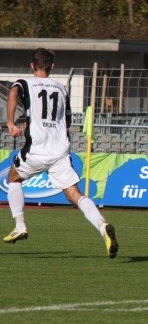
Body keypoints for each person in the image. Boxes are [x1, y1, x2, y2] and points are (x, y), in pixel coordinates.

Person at [3, 48, 119, 258]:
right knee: (74, 193)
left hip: (37, 149)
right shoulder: (61, 88)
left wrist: (11, 122)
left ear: (32, 65)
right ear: (52, 66)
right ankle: (102, 225)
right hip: (59, 150)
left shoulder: (25, 83)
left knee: (13, 178)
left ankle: (20, 225)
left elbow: (12, 92)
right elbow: (67, 121)